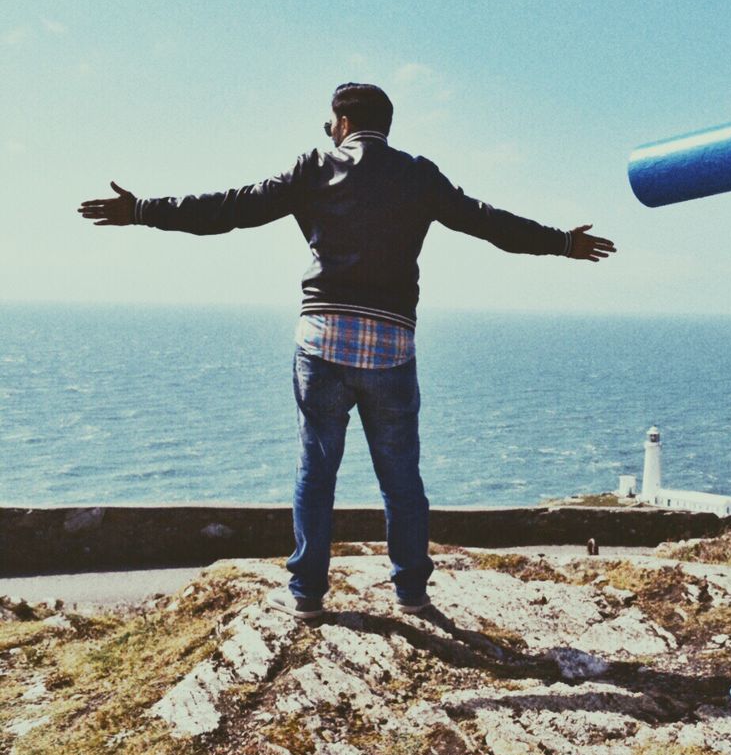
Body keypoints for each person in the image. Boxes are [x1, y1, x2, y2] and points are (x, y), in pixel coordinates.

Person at [78, 83, 616, 619]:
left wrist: (142, 209)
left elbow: (228, 209)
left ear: (340, 123)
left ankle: (308, 595)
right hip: (390, 347)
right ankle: (411, 591)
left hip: (322, 342)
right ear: (385, 125)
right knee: (401, 478)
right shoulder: (418, 174)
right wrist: (564, 243)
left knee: (317, 471)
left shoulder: (312, 168)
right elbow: (489, 221)